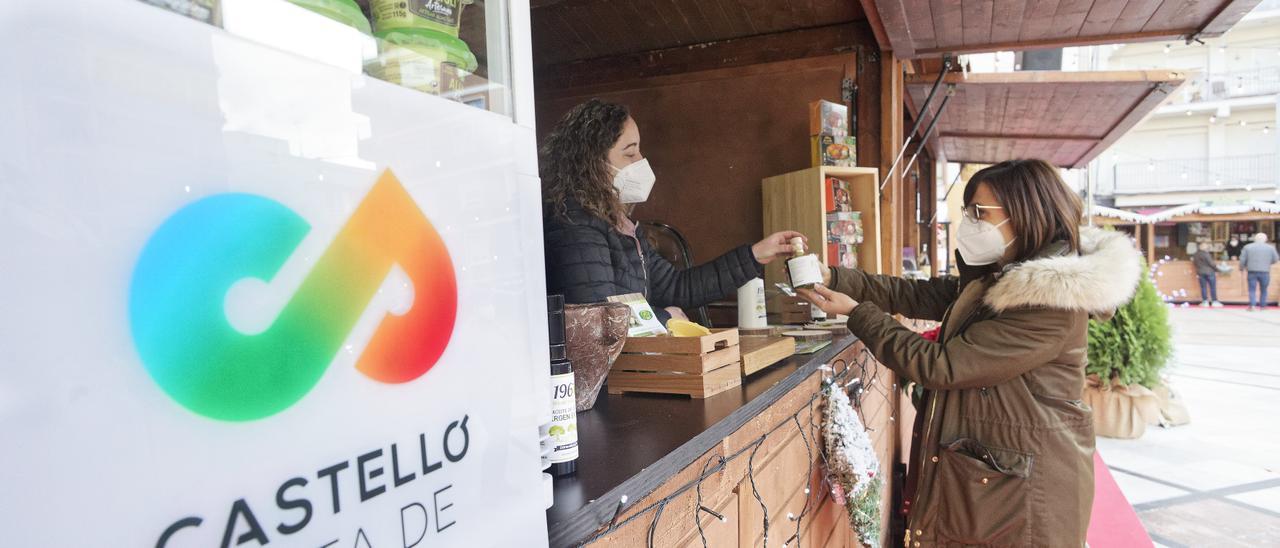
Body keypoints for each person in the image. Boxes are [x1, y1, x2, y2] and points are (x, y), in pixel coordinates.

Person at [798, 159, 1142, 546]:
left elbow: (943, 367)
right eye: (967, 211)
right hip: (998, 471)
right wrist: (837, 278)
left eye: (980, 213)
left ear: (1025, 213)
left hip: (1022, 487)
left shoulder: (1050, 300)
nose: (970, 223)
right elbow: (919, 294)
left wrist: (856, 313)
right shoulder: (1004, 275)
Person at [540, 99, 803, 323]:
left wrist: (756, 255)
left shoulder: (621, 226)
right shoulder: (573, 222)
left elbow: (676, 286)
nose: (641, 161)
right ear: (592, 163)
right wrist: (666, 320)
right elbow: (598, 318)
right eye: (630, 153)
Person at [1239, 232, 1280, 311]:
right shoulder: (1270, 248)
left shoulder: (1247, 247)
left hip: (1252, 271)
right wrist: (1267, 263)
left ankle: (1252, 306)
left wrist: (1242, 268)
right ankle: (1263, 306)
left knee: (1252, 289)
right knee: (1264, 289)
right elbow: (1276, 259)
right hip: (1265, 271)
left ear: (1255, 239)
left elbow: (1242, 259)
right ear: (1265, 239)